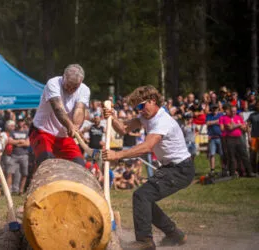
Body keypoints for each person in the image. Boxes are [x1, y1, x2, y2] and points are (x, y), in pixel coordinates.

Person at [102, 85, 194, 250]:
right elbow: (123, 129)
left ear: (152, 101)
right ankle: (175, 234)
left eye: (141, 106)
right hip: (170, 168)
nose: (139, 111)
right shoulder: (146, 117)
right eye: (136, 108)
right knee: (145, 200)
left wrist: (117, 155)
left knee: (141, 196)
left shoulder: (162, 120)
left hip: (181, 169)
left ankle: (145, 241)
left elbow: (147, 147)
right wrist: (113, 117)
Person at [30, 64, 90, 168]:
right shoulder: (53, 83)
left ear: (80, 83)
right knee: (47, 164)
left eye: (74, 87)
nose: (70, 89)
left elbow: (80, 110)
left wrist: (76, 126)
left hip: (64, 137)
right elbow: (58, 108)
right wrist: (70, 126)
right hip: (43, 132)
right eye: (68, 85)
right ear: (63, 77)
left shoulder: (84, 90)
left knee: (80, 167)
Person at [219, 105, 255, 177]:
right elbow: (229, 128)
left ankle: (249, 172)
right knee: (231, 156)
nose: (233, 112)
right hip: (230, 139)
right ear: (230, 111)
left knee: (244, 155)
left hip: (239, 138)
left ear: (236, 111)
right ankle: (232, 174)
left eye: (234, 111)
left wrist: (242, 126)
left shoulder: (239, 117)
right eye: (232, 111)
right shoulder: (226, 118)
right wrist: (239, 125)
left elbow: (244, 129)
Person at [205, 104, 224, 173]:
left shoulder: (221, 114)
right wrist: (216, 121)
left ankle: (223, 169)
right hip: (212, 138)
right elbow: (207, 123)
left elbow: (221, 122)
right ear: (211, 109)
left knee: (222, 154)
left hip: (220, 137)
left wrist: (211, 122)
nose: (215, 110)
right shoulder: (209, 115)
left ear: (218, 109)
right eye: (213, 109)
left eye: (216, 109)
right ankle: (212, 170)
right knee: (212, 154)